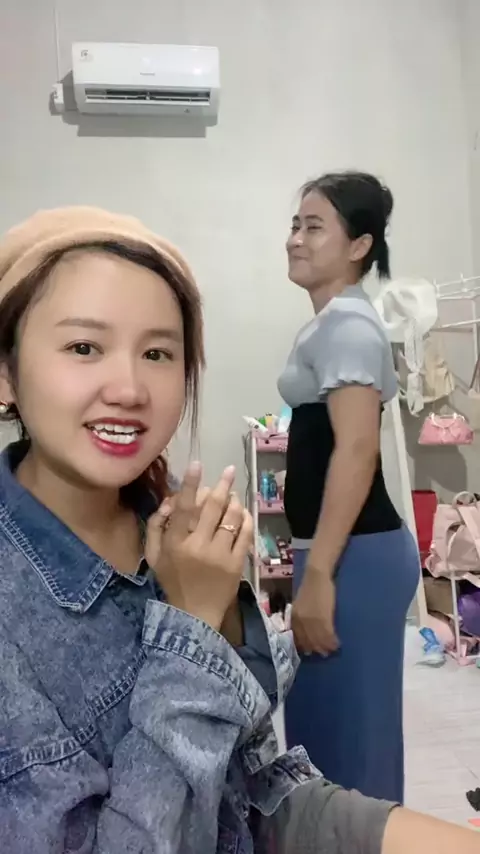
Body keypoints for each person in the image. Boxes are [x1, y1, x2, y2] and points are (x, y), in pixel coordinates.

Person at [0, 206, 478, 854]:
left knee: (359, 730)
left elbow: (247, 790)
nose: (130, 387)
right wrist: (194, 627)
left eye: (158, 353)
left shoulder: (171, 525)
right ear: (7, 371)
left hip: (357, 553)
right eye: (84, 347)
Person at [279, 171, 421, 803]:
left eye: (314, 227)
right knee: (324, 741)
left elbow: (358, 450)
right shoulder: (332, 323)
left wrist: (318, 576)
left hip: (352, 561)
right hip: (338, 554)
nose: (295, 239)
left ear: (359, 245)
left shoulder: (348, 326)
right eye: (295, 225)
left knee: (353, 754)